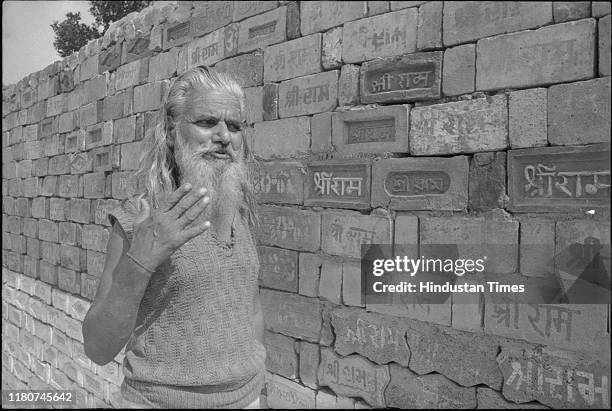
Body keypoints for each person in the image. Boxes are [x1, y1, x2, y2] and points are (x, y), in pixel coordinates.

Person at [82, 66, 265, 409]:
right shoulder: (140, 219)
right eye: (207, 122)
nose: (225, 136)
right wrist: (142, 260)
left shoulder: (240, 211)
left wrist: (256, 387)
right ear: (170, 132)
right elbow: (97, 347)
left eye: (235, 126)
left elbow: (250, 311)